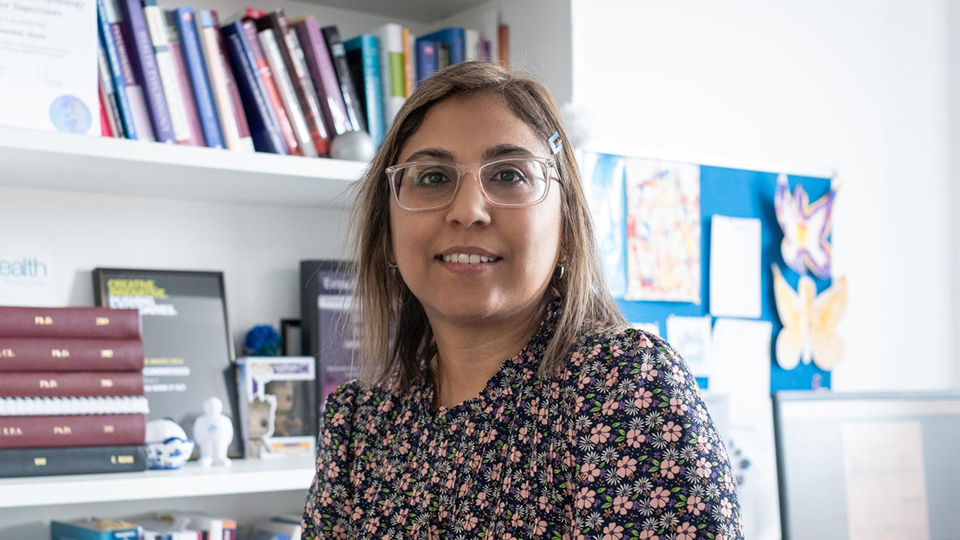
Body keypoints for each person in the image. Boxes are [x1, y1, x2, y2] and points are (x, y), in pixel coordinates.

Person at [301, 61, 743, 540]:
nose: (468, 210)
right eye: (432, 177)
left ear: (568, 229)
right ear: (387, 232)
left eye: (510, 175)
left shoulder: (623, 385)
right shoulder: (358, 423)